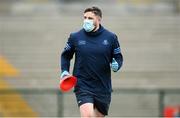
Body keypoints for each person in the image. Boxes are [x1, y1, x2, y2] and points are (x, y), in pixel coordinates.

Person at [60, 6, 123, 117]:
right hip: (83, 84)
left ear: (98, 19)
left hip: (103, 87)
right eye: (85, 17)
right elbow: (65, 56)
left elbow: (118, 57)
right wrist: (64, 71)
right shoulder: (75, 37)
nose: (86, 21)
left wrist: (116, 65)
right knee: (88, 116)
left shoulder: (111, 37)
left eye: (90, 18)